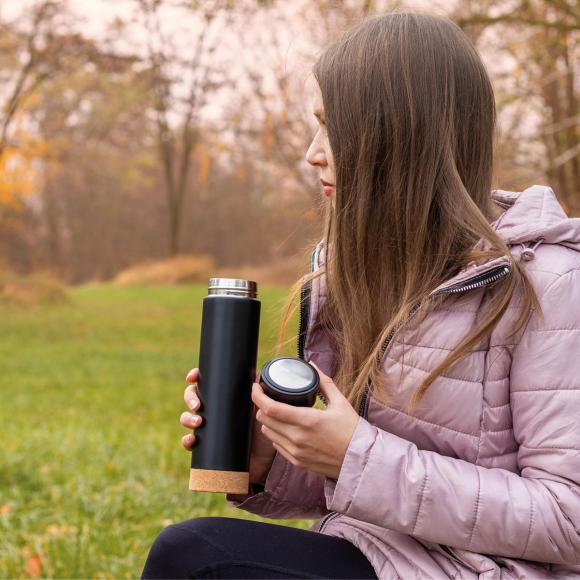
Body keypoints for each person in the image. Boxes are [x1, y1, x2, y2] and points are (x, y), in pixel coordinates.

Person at [141, 10, 580, 579]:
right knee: (195, 555)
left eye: (330, 126)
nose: (311, 152)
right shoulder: (367, 275)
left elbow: (569, 520)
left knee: (197, 558)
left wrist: (358, 459)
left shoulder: (548, 283)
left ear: (398, 134)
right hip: (382, 555)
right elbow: (367, 484)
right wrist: (271, 459)